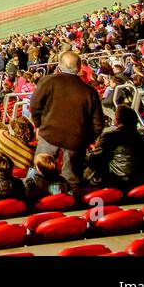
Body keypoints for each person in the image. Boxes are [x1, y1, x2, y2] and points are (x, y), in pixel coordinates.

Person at [30, 50, 105, 191]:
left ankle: (43, 203)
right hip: (75, 142)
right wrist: (84, 139)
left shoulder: (48, 81)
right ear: (79, 67)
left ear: (59, 66)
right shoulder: (89, 91)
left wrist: (39, 125)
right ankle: (72, 206)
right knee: (72, 182)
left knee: (41, 175)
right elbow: (98, 124)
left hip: (49, 136)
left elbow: (34, 106)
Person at [84, 105, 144, 191]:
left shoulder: (109, 137)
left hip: (117, 182)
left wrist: (84, 156)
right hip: (143, 181)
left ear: (117, 121)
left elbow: (95, 160)